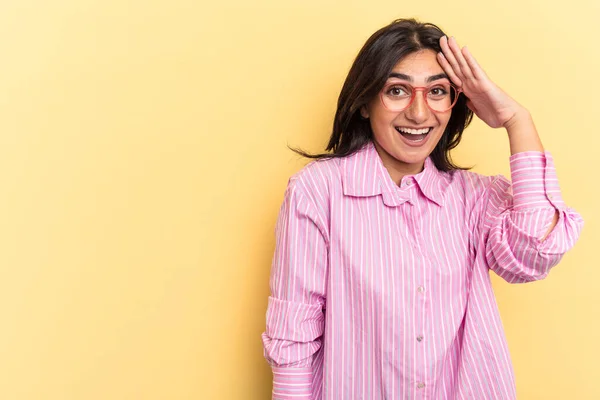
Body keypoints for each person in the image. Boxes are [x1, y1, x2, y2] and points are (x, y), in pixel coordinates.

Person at [260, 18, 583, 400]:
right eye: (397, 90)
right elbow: (293, 336)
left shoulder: (472, 198)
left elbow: (534, 254)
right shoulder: (318, 192)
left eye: (437, 92)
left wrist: (517, 119)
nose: (418, 113)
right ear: (364, 102)